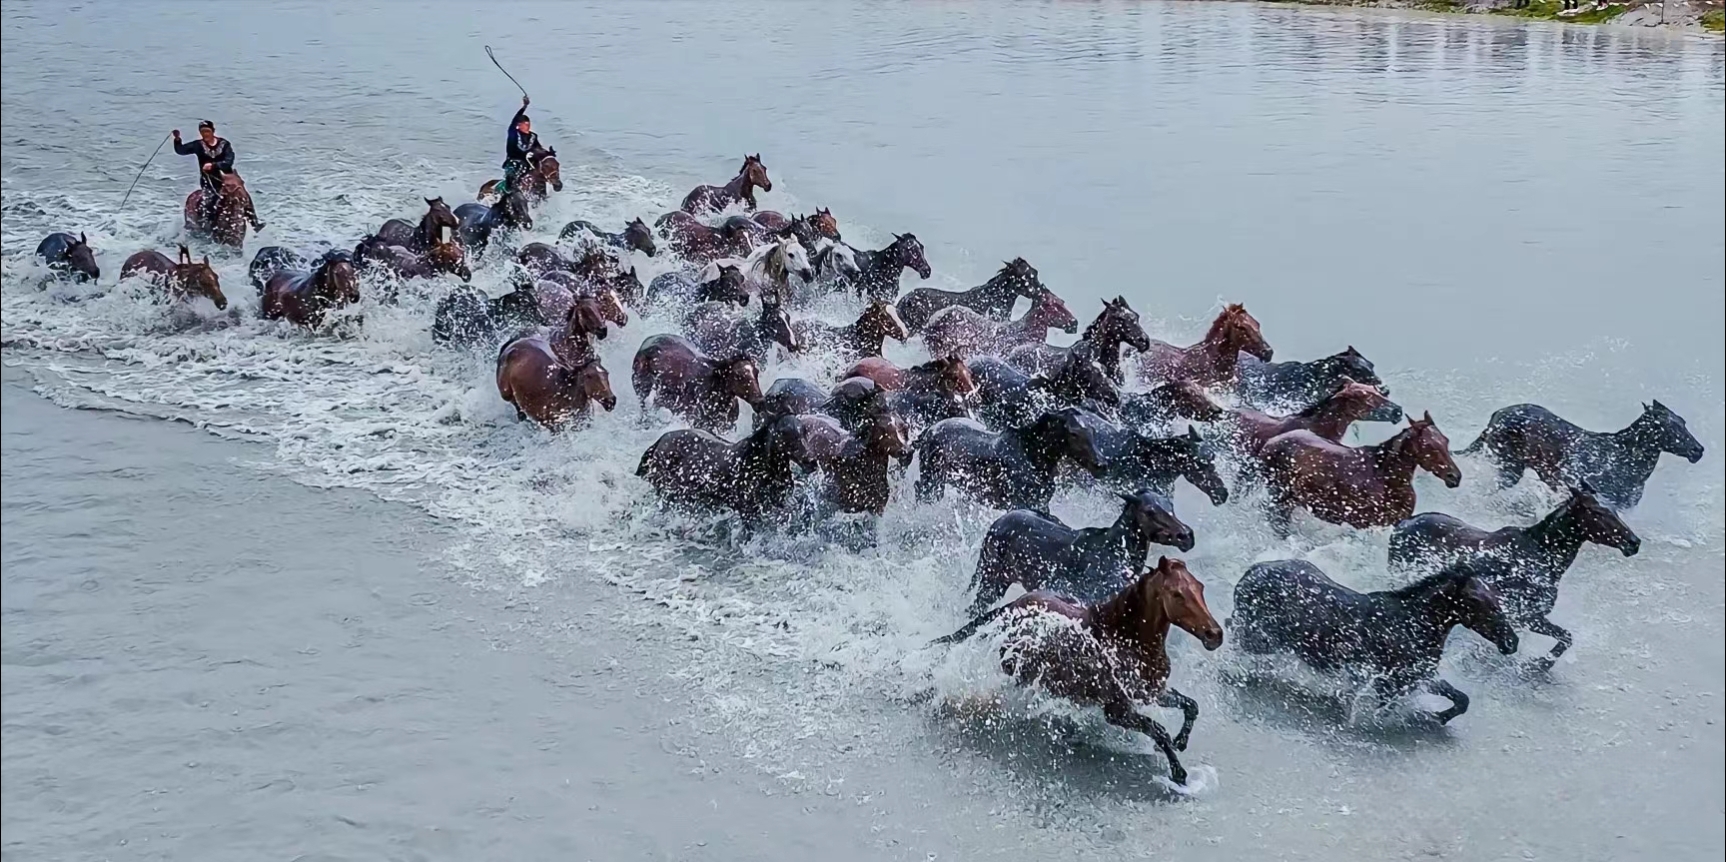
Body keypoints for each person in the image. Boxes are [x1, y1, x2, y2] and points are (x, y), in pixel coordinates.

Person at [173, 120, 264, 231]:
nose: (205, 134)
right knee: (210, 201)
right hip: (209, 180)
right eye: (202, 132)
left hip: (228, 179)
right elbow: (181, 150)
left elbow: (229, 161)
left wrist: (214, 165)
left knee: (244, 196)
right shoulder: (198, 145)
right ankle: (209, 225)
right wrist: (177, 140)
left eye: (207, 131)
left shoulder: (224, 144)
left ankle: (254, 223)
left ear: (213, 131)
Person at [500, 95, 549, 195]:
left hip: (528, 162)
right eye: (524, 124)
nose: (527, 126)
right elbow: (513, 121)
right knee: (515, 170)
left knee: (540, 172)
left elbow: (538, 148)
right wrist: (524, 107)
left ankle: (542, 194)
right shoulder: (513, 134)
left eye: (528, 124)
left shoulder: (533, 136)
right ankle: (510, 191)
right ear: (519, 125)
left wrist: (547, 154)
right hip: (514, 161)